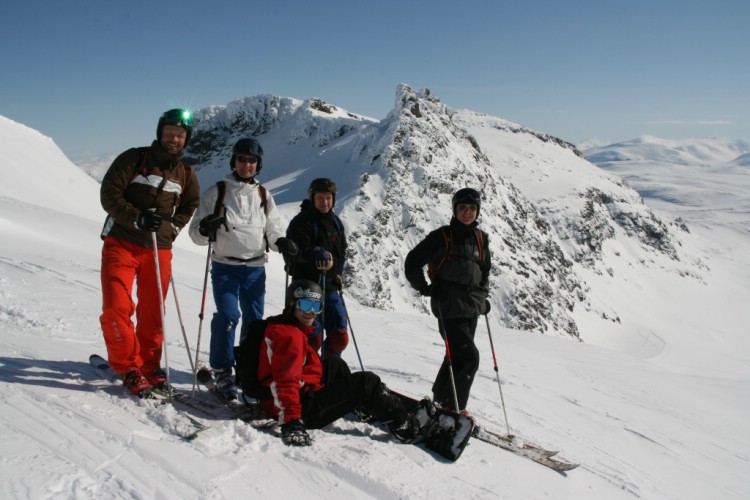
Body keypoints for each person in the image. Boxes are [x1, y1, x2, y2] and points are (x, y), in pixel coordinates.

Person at [99, 108, 200, 397]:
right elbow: (110, 194)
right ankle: (128, 366)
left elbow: (189, 204)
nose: (174, 138)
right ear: (160, 133)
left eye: (179, 135)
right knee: (117, 307)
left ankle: (150, 365)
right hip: (122, 242)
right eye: (169, 133)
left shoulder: (186, 173)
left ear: (186, 139)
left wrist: (171, 229)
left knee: (153, 311)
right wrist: (136, 217)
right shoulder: (134, 159)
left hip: (159, 249)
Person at [253, 279, 425, 447]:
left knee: (334, 364)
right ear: (293, 304)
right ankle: (407, 428)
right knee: (366, 383)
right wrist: (292, 422)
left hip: (290, 395)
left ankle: (362, 406)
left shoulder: (283, 324)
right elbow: (285, 380)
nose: (311, 312)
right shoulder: (290, 337)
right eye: (305, 305)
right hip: (301, 410)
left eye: (316, 306)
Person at [188, 138, 298, 398]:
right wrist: (205, 229)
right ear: (233, 161)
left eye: (252, 161)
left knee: (254, 323)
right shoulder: (217, 192)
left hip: (255, 269)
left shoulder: (263, 195)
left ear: (258, 164)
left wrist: (280, 241)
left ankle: (248, 366)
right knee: (228, 317)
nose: (246, 165)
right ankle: (223, 368)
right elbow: (195, 233)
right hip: (226, 267)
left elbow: (272, 228)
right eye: (242, 159)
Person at [404, 188, 491, 412]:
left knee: (455, 356)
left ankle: (441, 401)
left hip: (472, 308)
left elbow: (484, 271)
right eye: (463, 208)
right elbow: (413, 262)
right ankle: (453, 410)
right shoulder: (441, 237)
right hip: (449, 305)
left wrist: (483, 298)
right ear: (454, 210)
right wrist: (425, 288)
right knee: (469, 358)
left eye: (472, 208)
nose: (467, 212)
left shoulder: (481, 239)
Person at [285, 178, 349, 358]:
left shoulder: (335, 222)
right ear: (313, 198)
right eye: (320, 198)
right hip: (306, 287)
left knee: (339, 337)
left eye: (328, 198)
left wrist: (338, 272)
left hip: (330, 286)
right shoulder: (302, 222)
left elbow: (341, 251)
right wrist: (314, 252)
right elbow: (296, 249)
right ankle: (307, 375)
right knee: (312, 337)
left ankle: (329, 373)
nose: (325, 202)